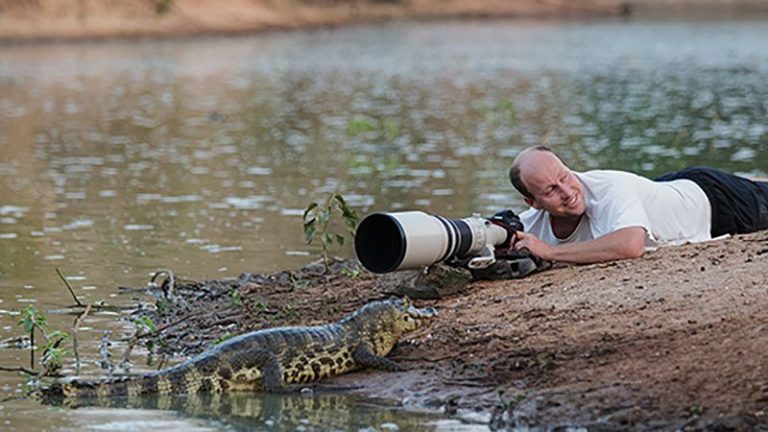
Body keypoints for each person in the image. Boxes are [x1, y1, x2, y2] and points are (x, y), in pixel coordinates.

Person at [508, 146, 768, 264]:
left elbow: (630, 245)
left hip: (715, 200)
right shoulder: (532, 221)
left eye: (565, 175)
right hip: (664, 189)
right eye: (551, 189)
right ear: (533, 202)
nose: (567, 192)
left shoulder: (609, 188)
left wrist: (549, 252)